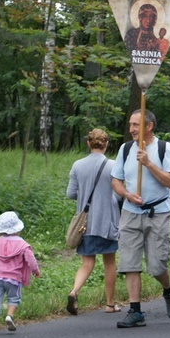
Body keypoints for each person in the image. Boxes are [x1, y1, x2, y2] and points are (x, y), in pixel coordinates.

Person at [111, 109, 170, 328]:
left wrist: (149, 163)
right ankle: (135, 310)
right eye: (131, 124)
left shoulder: (164, 148)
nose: (131, 129)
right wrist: (126, 194)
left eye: (136, 125)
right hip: (131, 212)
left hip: (158, 212)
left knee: (157, 266)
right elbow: (116, 180)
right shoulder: (125, 149)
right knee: (129, 263)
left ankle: (168, 291)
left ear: (149, 126)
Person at [66, 128, 120, 315]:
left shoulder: (77, 165)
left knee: (87, 263)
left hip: (85, 224)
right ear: (106, 144)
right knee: (109, 262)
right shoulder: (114, 166)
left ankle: (74, 291)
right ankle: (110, 304)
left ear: (88, 144)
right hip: (107, 222)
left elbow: (70, 193)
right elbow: (120, 194)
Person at [0, 212, 40, 335]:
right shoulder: (22, 244)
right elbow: (31, 261)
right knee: (14, 298)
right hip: (13, 278)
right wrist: (35, 271)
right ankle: (9, 316)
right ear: (17, 229)